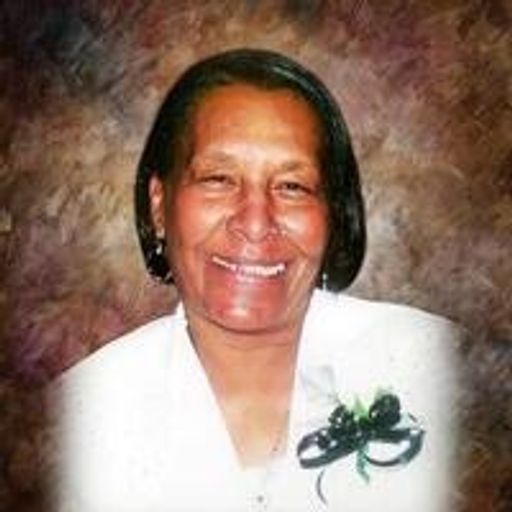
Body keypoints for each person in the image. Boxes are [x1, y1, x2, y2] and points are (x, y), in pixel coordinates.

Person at [52, 49, 461, 512]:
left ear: (333, 214)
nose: (255, 222)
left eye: (292, 186)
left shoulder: (440, 369)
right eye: (218, 178)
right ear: (159, 206)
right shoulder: (80, 418)